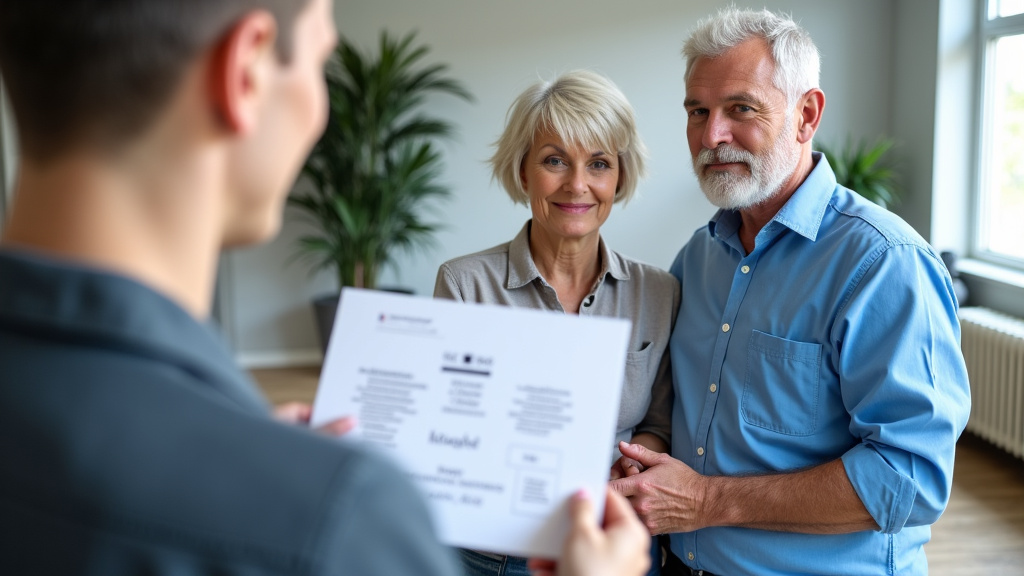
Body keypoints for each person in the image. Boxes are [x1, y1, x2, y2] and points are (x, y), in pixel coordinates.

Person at [0, 2, 651, 575]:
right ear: (246, 71)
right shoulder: (344, 525)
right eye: (319, 63)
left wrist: (261, 451)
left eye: (598, 162)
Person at [610, 7, 971, 576]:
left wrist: (706, 501)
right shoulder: (698, 257)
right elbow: (676, 411)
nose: (712, 136)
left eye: (740, 109)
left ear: (806, 114)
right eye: (697, 111)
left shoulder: (884, 264)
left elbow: (911, 478)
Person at [434, 69, 680, 576]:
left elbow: (658, 424)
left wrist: (634, 459)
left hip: (614, 550)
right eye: (554, 161)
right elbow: (445, 432)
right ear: (523, 172)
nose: (577, 185)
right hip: (493, 555)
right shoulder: (463, 285)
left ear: (619, 177)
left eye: (599, 164)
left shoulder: (660, 291)